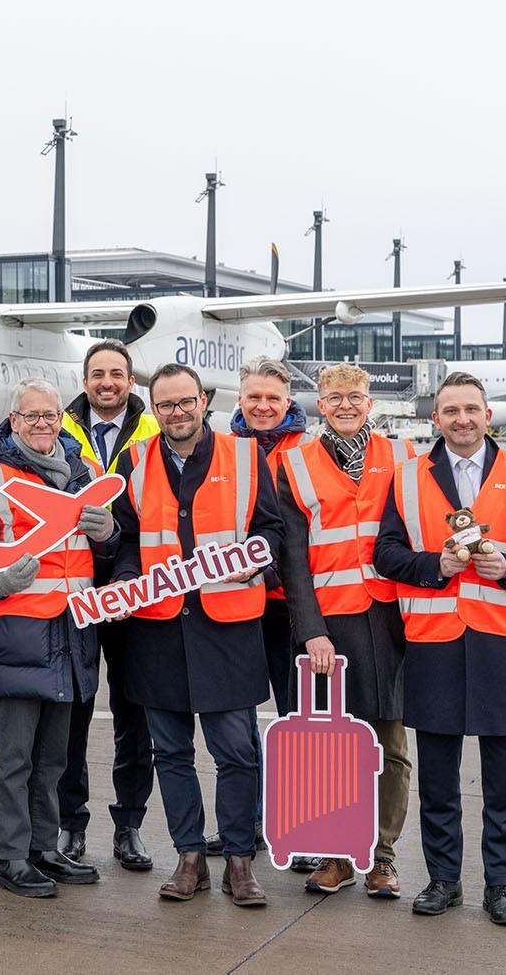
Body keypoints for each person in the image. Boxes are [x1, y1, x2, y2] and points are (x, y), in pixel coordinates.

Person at [374, 372, 506, 928]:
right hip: (434, 644)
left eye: (471, 410)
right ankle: (444, 880)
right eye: (450, 410)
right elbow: (386, 554)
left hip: (503, 643)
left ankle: (502, 885)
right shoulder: (408, 478)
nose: (461, 419)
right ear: (435, 419)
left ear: (489, 416)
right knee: (437, 778)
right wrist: (434, 567)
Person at [107, 362, 287, 908]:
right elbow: (127, 540)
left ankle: (238, 861)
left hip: (227, 630)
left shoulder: (246, 456)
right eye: (165, 405)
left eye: (186, 402)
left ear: (204, 400)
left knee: (235, 752)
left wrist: (256, 564)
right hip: (159, 630)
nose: (177, 412)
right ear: (153, 408)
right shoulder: (133, 461)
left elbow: (272, 530)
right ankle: (189, 857)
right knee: (171, 753)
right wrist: (122, 579)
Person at [0, 378, 118, 898]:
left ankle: (44, 848)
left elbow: (106, 557)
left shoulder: (86, 475)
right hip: (18, 634)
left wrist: (108, 535)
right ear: (14, 420)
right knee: (15, 758)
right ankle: (10, 856)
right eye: (32, 416)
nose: (43, 424)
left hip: (72, 634)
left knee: (54, 757)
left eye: (51, 415)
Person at [274, 363, 416, 899]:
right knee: (332, 746)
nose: (345, 406)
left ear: (370, 401)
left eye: (354, 396)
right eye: (334, 398)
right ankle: (336, 855)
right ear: (319, 404)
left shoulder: (403, 457)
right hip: (329, 626)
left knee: (391, 744)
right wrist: (310, 630)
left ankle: (383, 857)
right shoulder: (294, 464)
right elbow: (291, 555)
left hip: (391, 619)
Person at [56, 339, 160, 871]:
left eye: (116, 374)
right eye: (97, 374)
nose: (106, 383)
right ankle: (71, 824)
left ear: (130, 380)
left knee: (132, 711)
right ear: (85, 379)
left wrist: (130, 576)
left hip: (133, 589)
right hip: (72, 589)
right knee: (71, 711)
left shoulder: (153, 433)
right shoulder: (60, 427)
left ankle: (130, 824)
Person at [220, 356, 309, 862]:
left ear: (288, 401)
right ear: (240, 398)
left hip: (286, 609)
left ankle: (295, 828)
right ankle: (245, 823)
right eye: (254, 396)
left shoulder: (308, 452)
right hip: (236, 603)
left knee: (293, 721)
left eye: (273, 397)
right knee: (238, 725)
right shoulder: (224, 450)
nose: (263, 405)